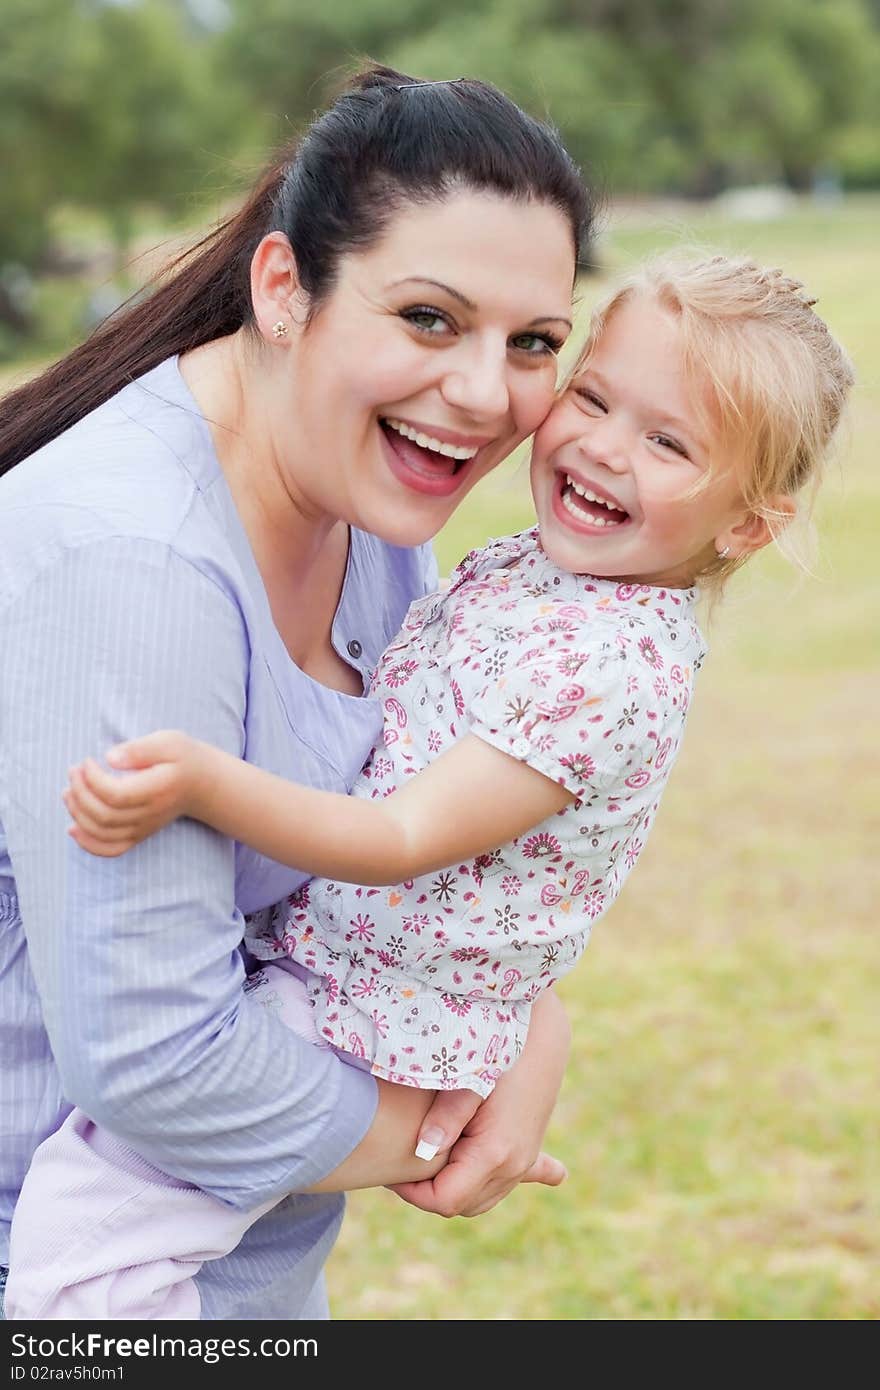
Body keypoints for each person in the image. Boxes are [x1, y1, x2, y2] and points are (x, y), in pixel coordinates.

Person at [7, 252, 853, 1320]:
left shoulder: (606, 669)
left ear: (747, 525)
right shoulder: (534, 576)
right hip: (349, 970)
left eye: (667, 442)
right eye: (592, 395)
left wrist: (206, 784)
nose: (601, 446)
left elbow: (404, 831)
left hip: (366, 1007)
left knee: (86, 1247)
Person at [0, 65, 595, 1321]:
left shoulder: (369, 504)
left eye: (533, 342)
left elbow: (405, 831)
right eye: (429, 317)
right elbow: (158, 1062)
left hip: (242, 1267)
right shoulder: (139, 560)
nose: (487, 395)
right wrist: (450, 1123)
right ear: (284, 290)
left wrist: (528, 1022)